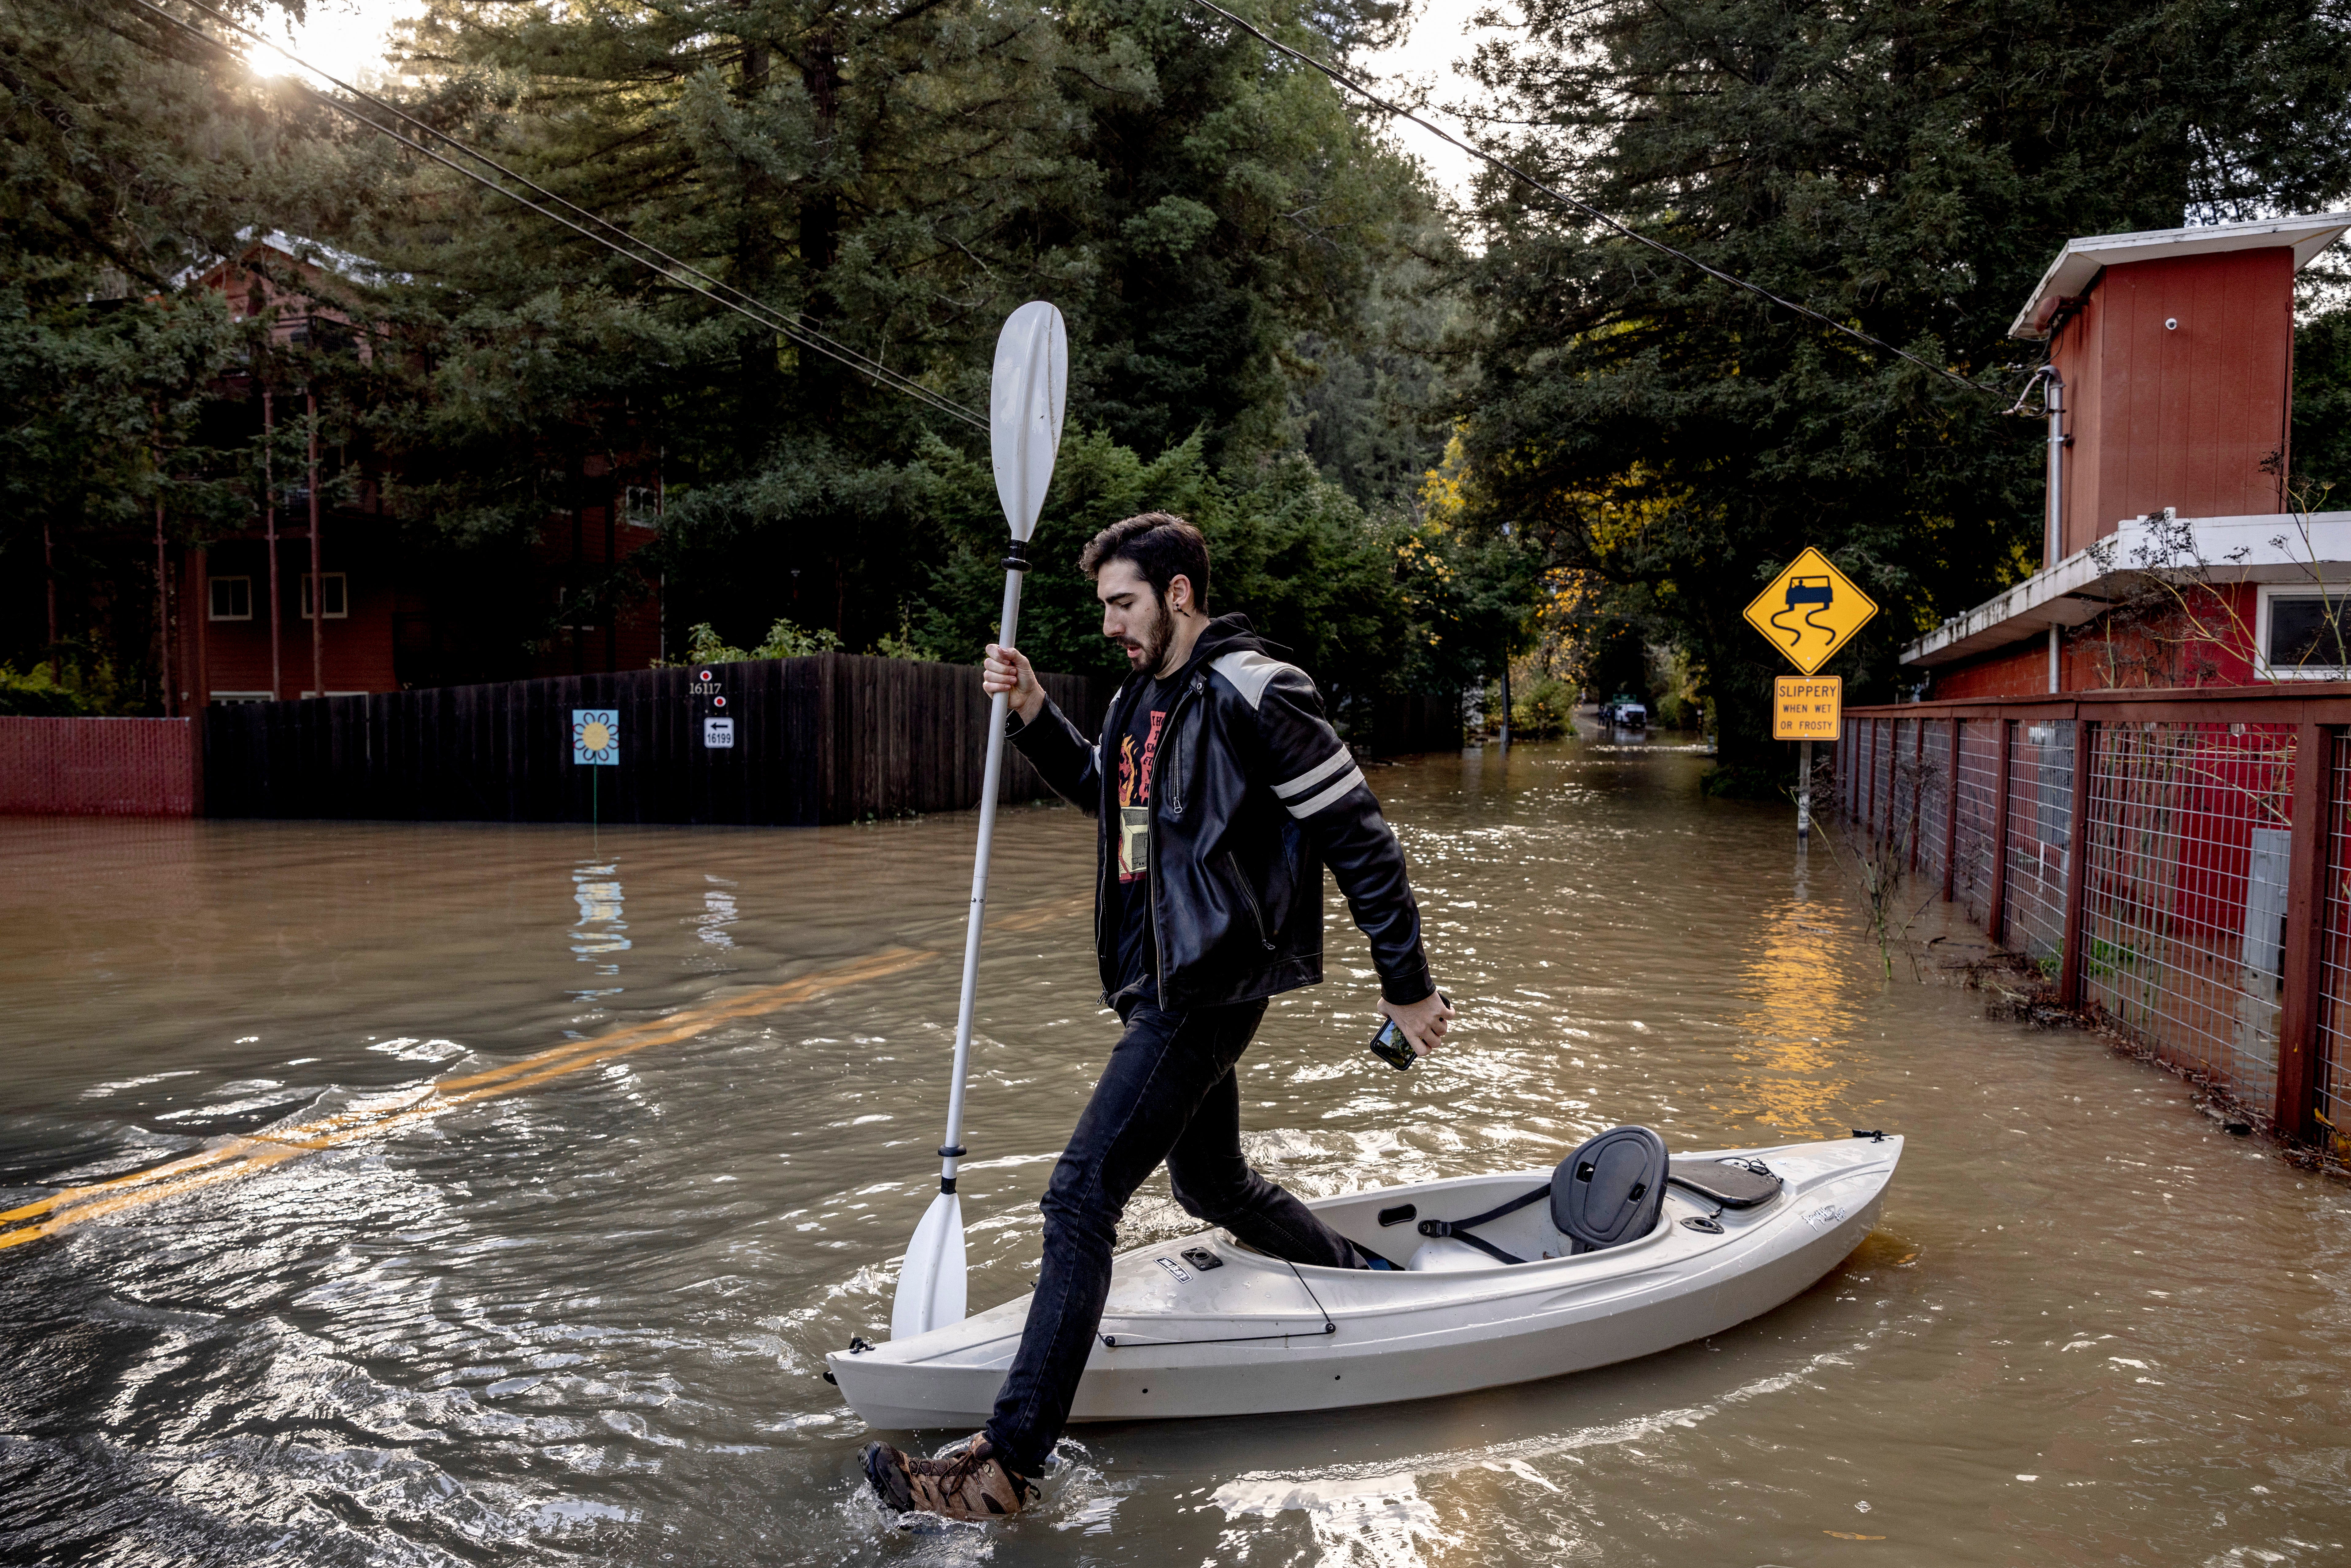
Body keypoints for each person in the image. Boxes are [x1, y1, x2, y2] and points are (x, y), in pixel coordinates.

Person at [860, 512, 1453, 1522]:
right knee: (1212, 1181)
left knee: (1080, 1196)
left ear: (1179, 594)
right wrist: (1038, 710)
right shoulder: (1142, 699)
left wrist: (1406, 984)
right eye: (1103, 607)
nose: (1109, 625)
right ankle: (1362, 1274)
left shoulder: (1259, 692)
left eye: (1122, 603)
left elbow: (1362, 841)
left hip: (1209, 988)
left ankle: (1005, 1467)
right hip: (1162, 983)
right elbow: (1111, 799)